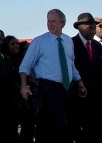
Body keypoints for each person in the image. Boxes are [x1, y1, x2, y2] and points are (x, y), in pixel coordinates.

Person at [17, 9, 86, 143]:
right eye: (48, 21)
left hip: (67, 88)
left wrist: (80, 83)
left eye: (54, 21)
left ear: (62, 22)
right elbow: (25, 66)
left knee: (68, 125)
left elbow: (71, 65)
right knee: (57, 125)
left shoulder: (68, 41)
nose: (50, 24)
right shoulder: (39, 41)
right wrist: (24, 85)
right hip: (48, 88)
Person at [68, 13, 102, 143]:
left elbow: (101, 70)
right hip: (80, 97)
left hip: (97, 97)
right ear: (80, 28)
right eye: (89, 28)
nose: (92, 30)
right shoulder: (71, 44)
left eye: (93, 27)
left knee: (98, 131)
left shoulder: (96, 46)